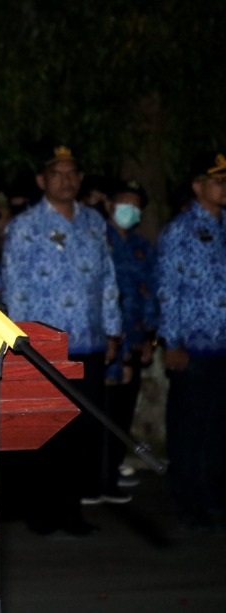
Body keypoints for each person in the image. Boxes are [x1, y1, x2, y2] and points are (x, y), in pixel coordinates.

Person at [3, 145, 121, 534]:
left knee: (83, 428)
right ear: (42, 180)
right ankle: (40, 509)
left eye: (72, 173)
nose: (66, 180)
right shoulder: (24, 227)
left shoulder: (93, 222)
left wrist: (112, 328)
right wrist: (21, 340)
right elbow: (15, 288)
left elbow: (107, 281)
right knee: (46, 428)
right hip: (43, 346)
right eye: (57, 173)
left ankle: (72, 510)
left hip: (88, 340)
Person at [156, 154, 226, 532]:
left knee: (218, 426)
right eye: (216, 181)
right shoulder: (179, 231)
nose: (223, 187)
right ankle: (189, 498)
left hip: (224, 345)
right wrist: (172, 341)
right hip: (193, 346)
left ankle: (214, 494)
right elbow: (167, 290)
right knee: (191, 426)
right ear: (198, 187)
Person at [100, 178, 157, 494]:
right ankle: (97, 478)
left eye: (136, 206)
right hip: (107, 344)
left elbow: (151, 295)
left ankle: (112, 473)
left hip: (134, 340)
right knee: (103, 412)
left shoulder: (141, 247)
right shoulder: (98, 241)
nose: (130, 210)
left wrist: (150, 338)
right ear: (109, 205)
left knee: (122, 411)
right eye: (125, 203)